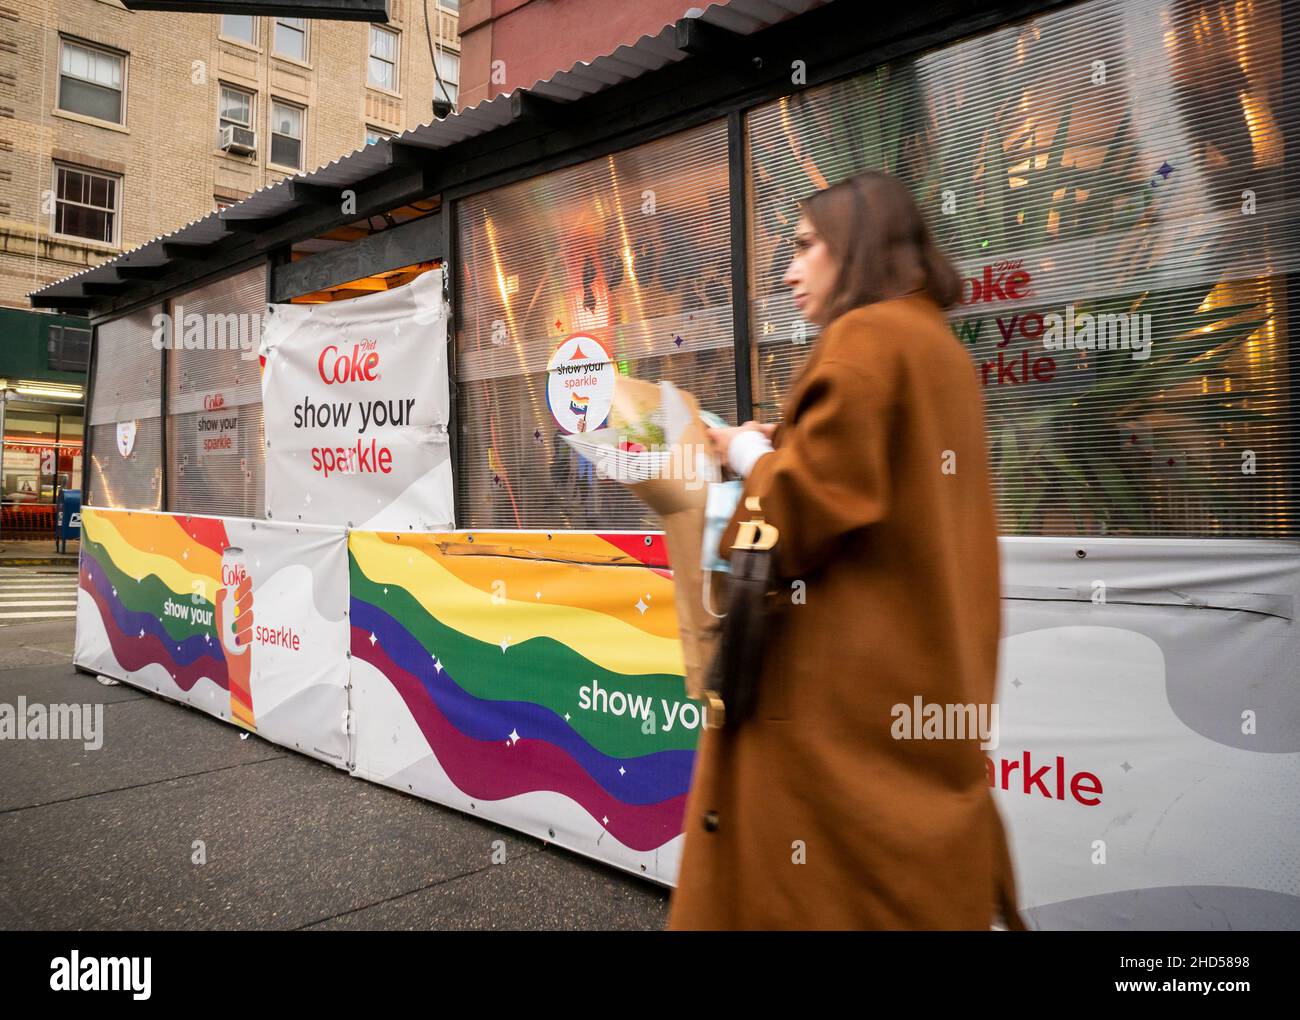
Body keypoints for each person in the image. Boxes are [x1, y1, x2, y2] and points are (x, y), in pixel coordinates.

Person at [668, 171, 1025, 930]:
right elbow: (871, 492)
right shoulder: (937, 348)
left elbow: (789, 522)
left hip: (833, 732)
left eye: (804, 247)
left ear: (855, 247)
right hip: (916, 718)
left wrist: (741, 457)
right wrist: (782, 447)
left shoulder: (863, 338)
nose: (791, 271)